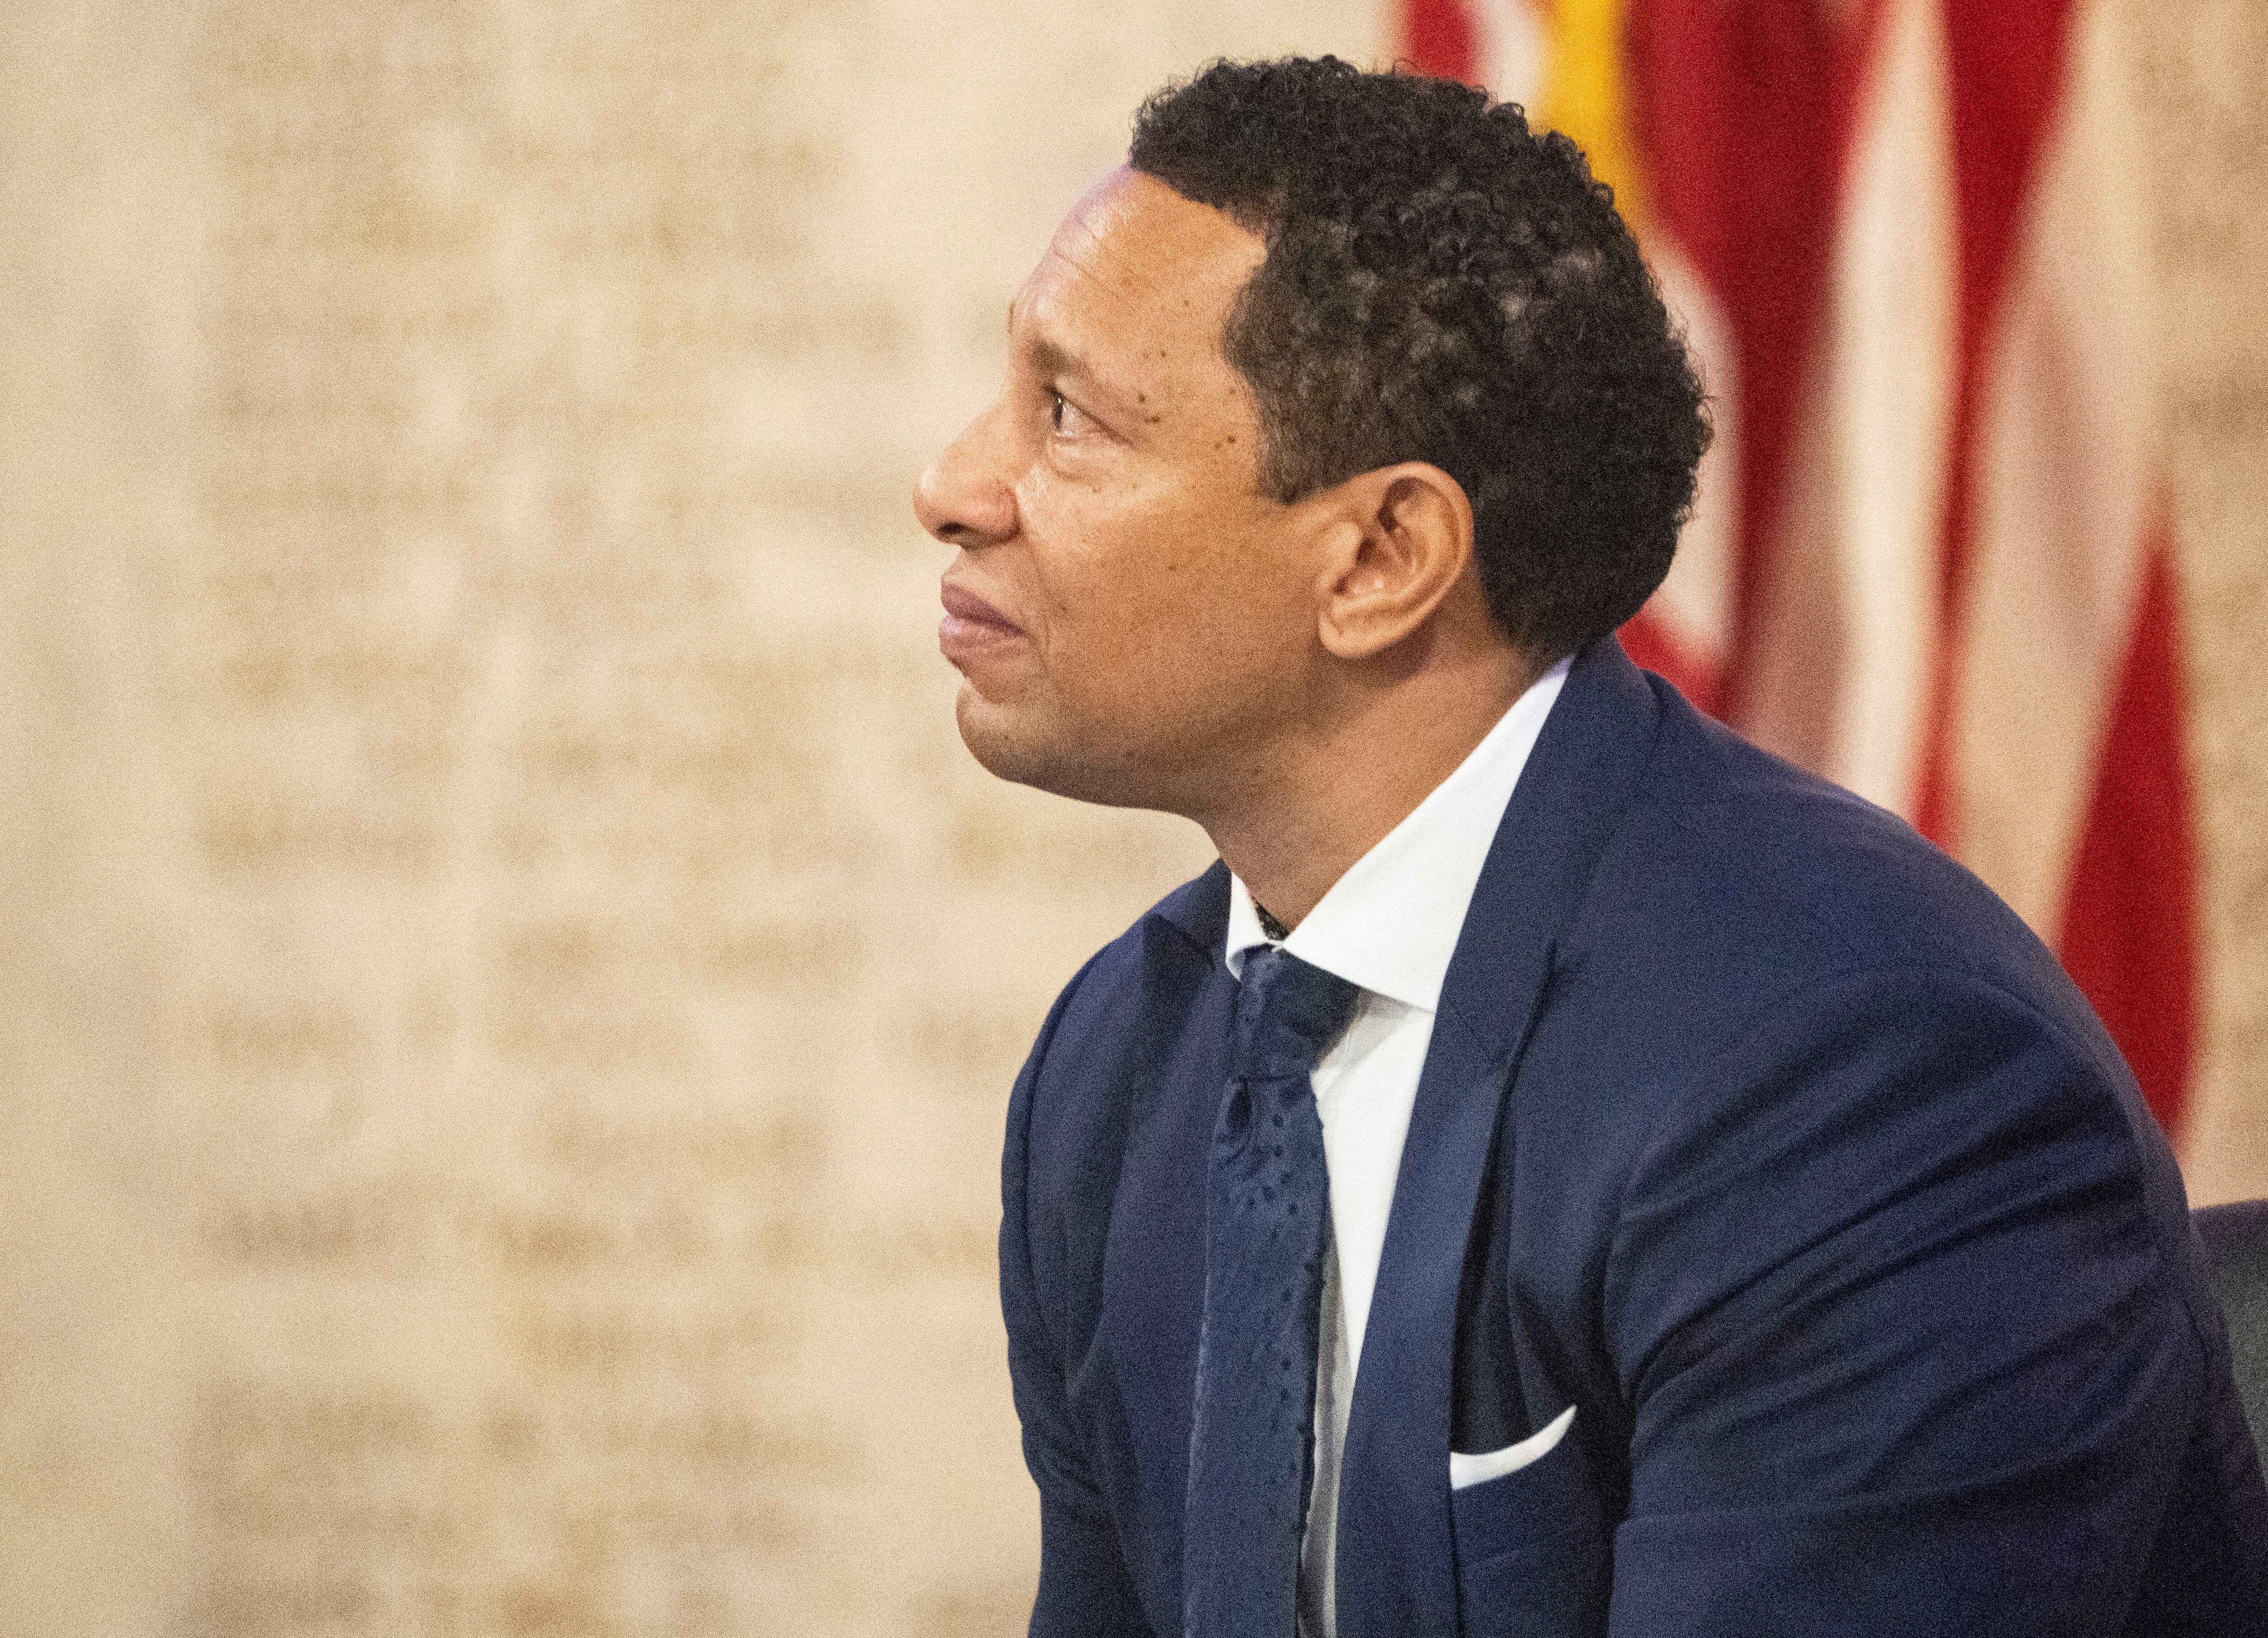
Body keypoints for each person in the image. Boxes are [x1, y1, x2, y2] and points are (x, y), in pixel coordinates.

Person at [913, 56, 2268, 1638]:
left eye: (1068, 417)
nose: (952, 485)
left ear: (1382, 556)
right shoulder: (1114, 1072)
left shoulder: (1860, 1078)